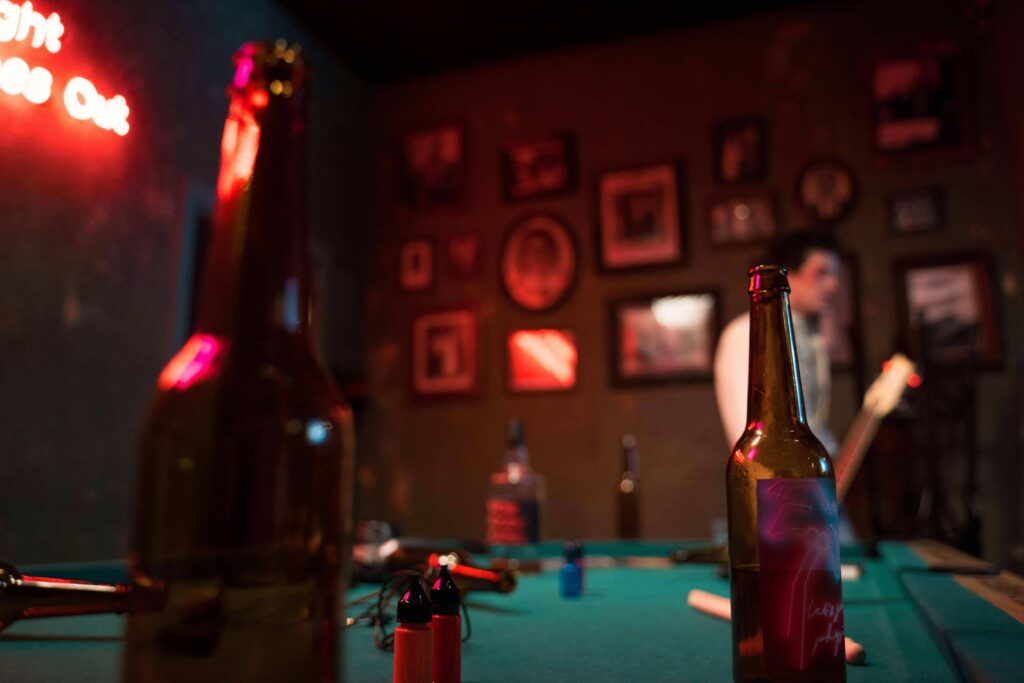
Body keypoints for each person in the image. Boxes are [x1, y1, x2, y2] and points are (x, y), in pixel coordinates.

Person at [714, 231, 842, 456]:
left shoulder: (808, 336)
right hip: (780, 485)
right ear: (787, 275)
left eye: (835, 274)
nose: (833, 284)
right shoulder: (748, 332)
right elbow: (753, 438)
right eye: (821, 273)